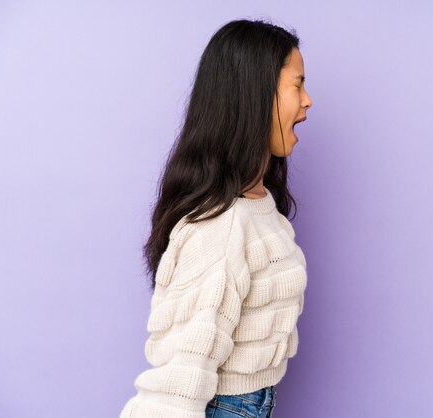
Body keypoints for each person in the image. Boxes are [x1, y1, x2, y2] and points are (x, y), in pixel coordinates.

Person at [119, 18, 312, 418]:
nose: (308, 100)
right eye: (298, 84)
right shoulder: (221, 226)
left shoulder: (259, 205)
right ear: (256, 95)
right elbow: (179, 381)